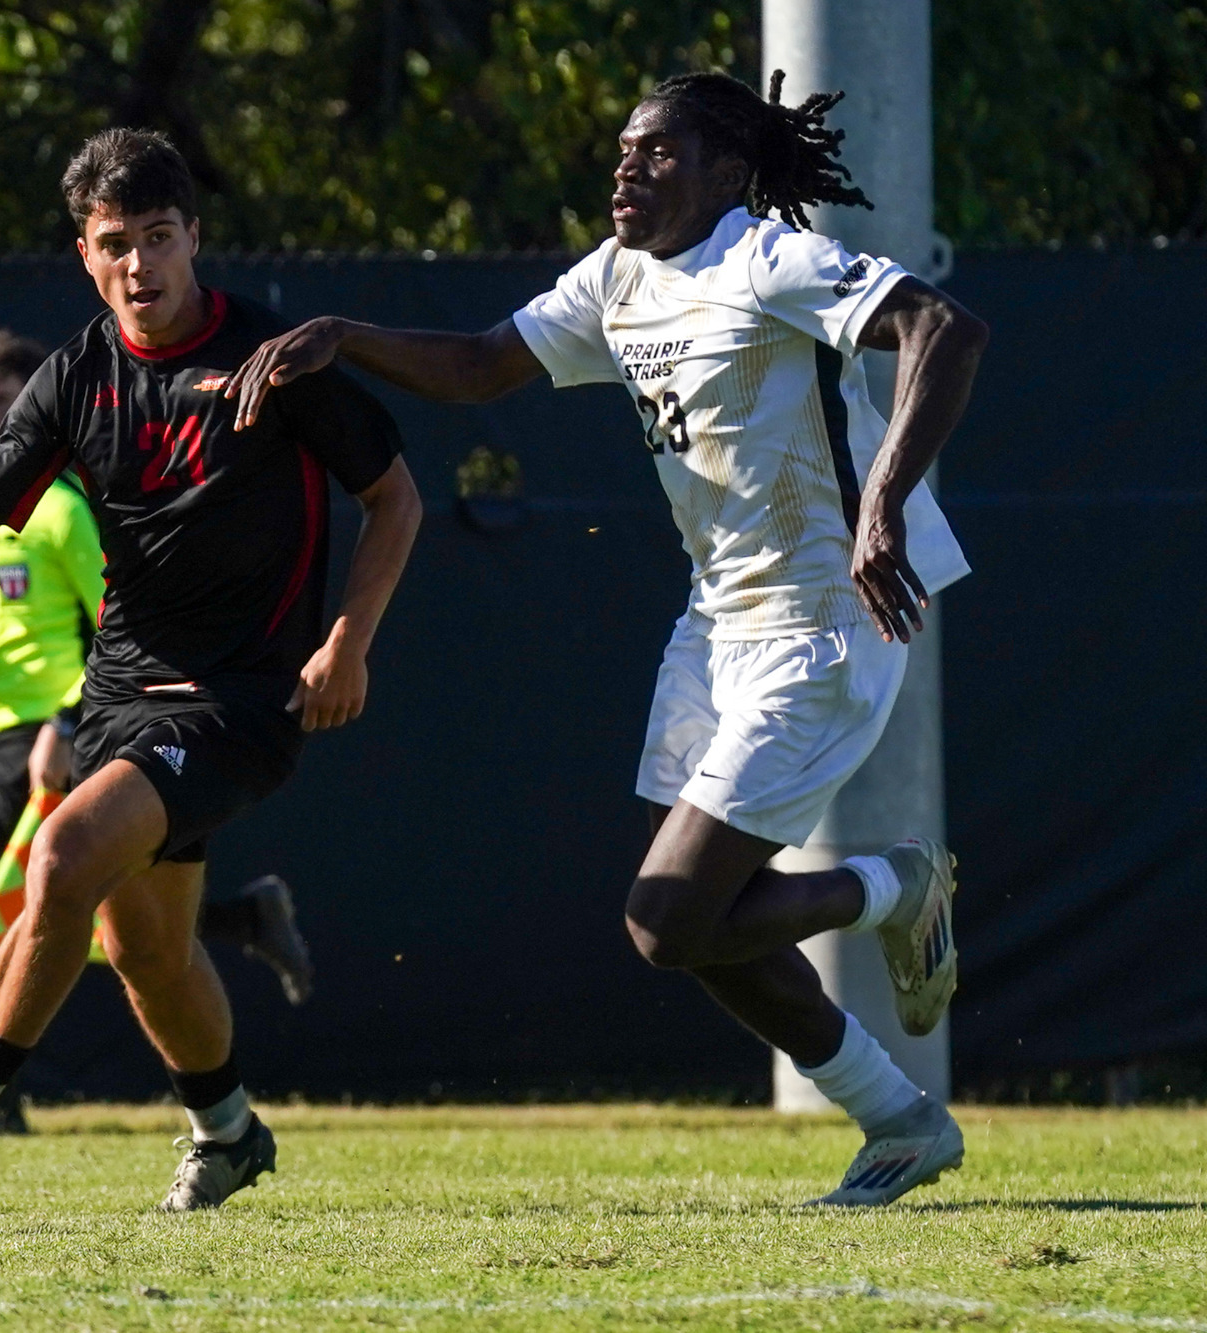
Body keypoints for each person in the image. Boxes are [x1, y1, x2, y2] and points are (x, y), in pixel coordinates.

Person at [222, 71, 988, 1207]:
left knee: (666, 917)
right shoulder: (617, 274)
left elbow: (941, 325)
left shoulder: (763, 257)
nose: (627, 166)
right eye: (624, 149)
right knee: (697, 923)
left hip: (825, 618)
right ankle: (898, 1121)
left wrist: (882, 501)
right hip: (712, 622)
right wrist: (341, 336)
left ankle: (890, 888)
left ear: (725, 175)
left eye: (659, 151)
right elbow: (485, 364)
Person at [0, 127, 421, 1211]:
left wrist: (347, 641)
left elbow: (392, 496)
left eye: (159, 238)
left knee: (62, 856)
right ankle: (228, 1132)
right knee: (142, 944)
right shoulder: (75, 375)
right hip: (121, 692)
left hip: (239, 699)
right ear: (85, 254)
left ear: (193, 237)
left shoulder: (276, 356)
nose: (140, 266)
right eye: (116, 243)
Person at [0, 333, 320, 1136]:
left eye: (6, 403)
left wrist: (65, 720)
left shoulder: (58, 508)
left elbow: (118, 628)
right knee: (100, 912)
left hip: (60, 731)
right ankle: (244, 921)